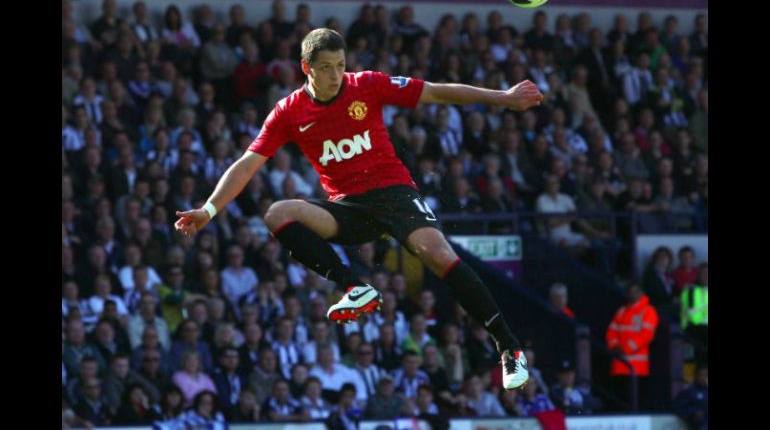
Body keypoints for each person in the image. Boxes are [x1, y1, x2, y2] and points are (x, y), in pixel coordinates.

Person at [176, 28, 542, 390]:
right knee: (277, 213)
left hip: (394, 194)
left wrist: (503, 98)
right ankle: (354, 286)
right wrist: (209, 210)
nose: (336, 75)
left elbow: (434, 91)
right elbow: (246, 164)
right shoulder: (288, 111)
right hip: (348, 208)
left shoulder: (366, 84)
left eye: (340, 65)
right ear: (306, 68)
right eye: (326, 68)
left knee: (437, 254)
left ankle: (509, 348)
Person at [605, 282, 659, 410]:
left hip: (637, 367)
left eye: (636, 291)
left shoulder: (648, 311)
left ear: (642, 293)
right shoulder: (622, 311)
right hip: (619, 364)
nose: (633, 294)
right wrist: (615, 346)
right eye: (630, 291)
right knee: (619, 400)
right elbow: (611, 332)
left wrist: (625, 348)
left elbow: (646, 335)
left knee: (635, 401)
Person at [681, 263, 708, 365]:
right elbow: (694, 316)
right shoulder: (691, 290)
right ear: (698, 275)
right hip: (695, 330)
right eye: (704, 273)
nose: (706, 275)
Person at [672, 365, 708, 430]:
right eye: (701, 375)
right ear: (695, 376)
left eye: (706, 375)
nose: (703, 378)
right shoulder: (688, 391)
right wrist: (693, 413)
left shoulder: (706, 390)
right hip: (694, 426)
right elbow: (677, 408)